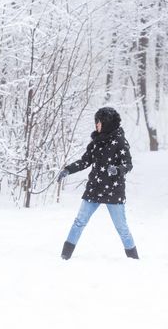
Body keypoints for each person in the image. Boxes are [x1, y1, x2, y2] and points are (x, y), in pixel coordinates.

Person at [58, 107, 139, 260]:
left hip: (113, 190)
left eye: (99, 122)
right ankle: (64, 256)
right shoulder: (96, 141)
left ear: (107, 122)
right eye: (96, 122)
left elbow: (128, 164)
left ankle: (134, 258)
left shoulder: (120, 141)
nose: (96, 125)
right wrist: (68, 170)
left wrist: (117, 169)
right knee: (79, 222)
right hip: (94, 188)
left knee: (121, 227)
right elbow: (85, 161)